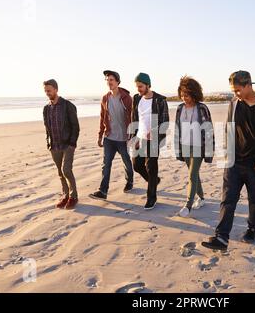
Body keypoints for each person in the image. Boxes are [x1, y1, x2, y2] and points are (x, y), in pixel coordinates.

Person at [202, 71, 255, 251]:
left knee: (254, 198)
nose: (235, 94)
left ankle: (253, 228)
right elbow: (229, 128)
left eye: (237, 90)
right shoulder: (234, 103)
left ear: (248, 85)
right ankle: (221, 237)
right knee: (227, 200)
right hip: (234, 161)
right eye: (233, 90)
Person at [90, 70, 134, 201]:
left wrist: (133, 135)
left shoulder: (127, 98)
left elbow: (133, 117)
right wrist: (100, 135)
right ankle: (103, 191)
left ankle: (129, 181)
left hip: (123, 139)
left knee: (127, 162)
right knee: (106, 164)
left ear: (118, 82)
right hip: (109, 137)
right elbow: (103, 117)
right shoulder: (105, 98)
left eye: (111, 80)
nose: (109, 82)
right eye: (107, 80)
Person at [174, 76, 214, 218]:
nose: (184, 97)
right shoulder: (179, 108)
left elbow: (208, 129)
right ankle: (202, 198)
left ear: (194, 93)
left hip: (198, 146)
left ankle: (188, 206)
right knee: (194, 174)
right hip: (184, 145)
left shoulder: (202, 108)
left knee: (191, 175)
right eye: (182, 94)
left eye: (187, 94)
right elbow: (177, 129)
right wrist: (177, 148)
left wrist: (209, 150)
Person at [130, 73, 169, 210]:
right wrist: (134, 137)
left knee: (151, 168)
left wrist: (155, 132)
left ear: (148, 85)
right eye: (137, 86)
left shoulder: (160, 100)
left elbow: (165, 121)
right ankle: (154, 182)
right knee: (137, 165)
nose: (138, 89)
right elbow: (134, 118)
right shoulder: (136, 98)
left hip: (153, 139)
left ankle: (151, 197)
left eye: (140, 86)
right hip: (140, 137)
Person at [43, 79, 80, 210]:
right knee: (60, 172)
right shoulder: (46, 109)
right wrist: (49, 143)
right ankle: (65, 196)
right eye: (45, 91)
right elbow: (47, 127)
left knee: (66, 170)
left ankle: (73, 196)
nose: (47, 93)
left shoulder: (67, 105)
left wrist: (72, 143)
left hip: (67, 144)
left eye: (49, 90)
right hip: (54, 146)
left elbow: (75, 126)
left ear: (56, 89)